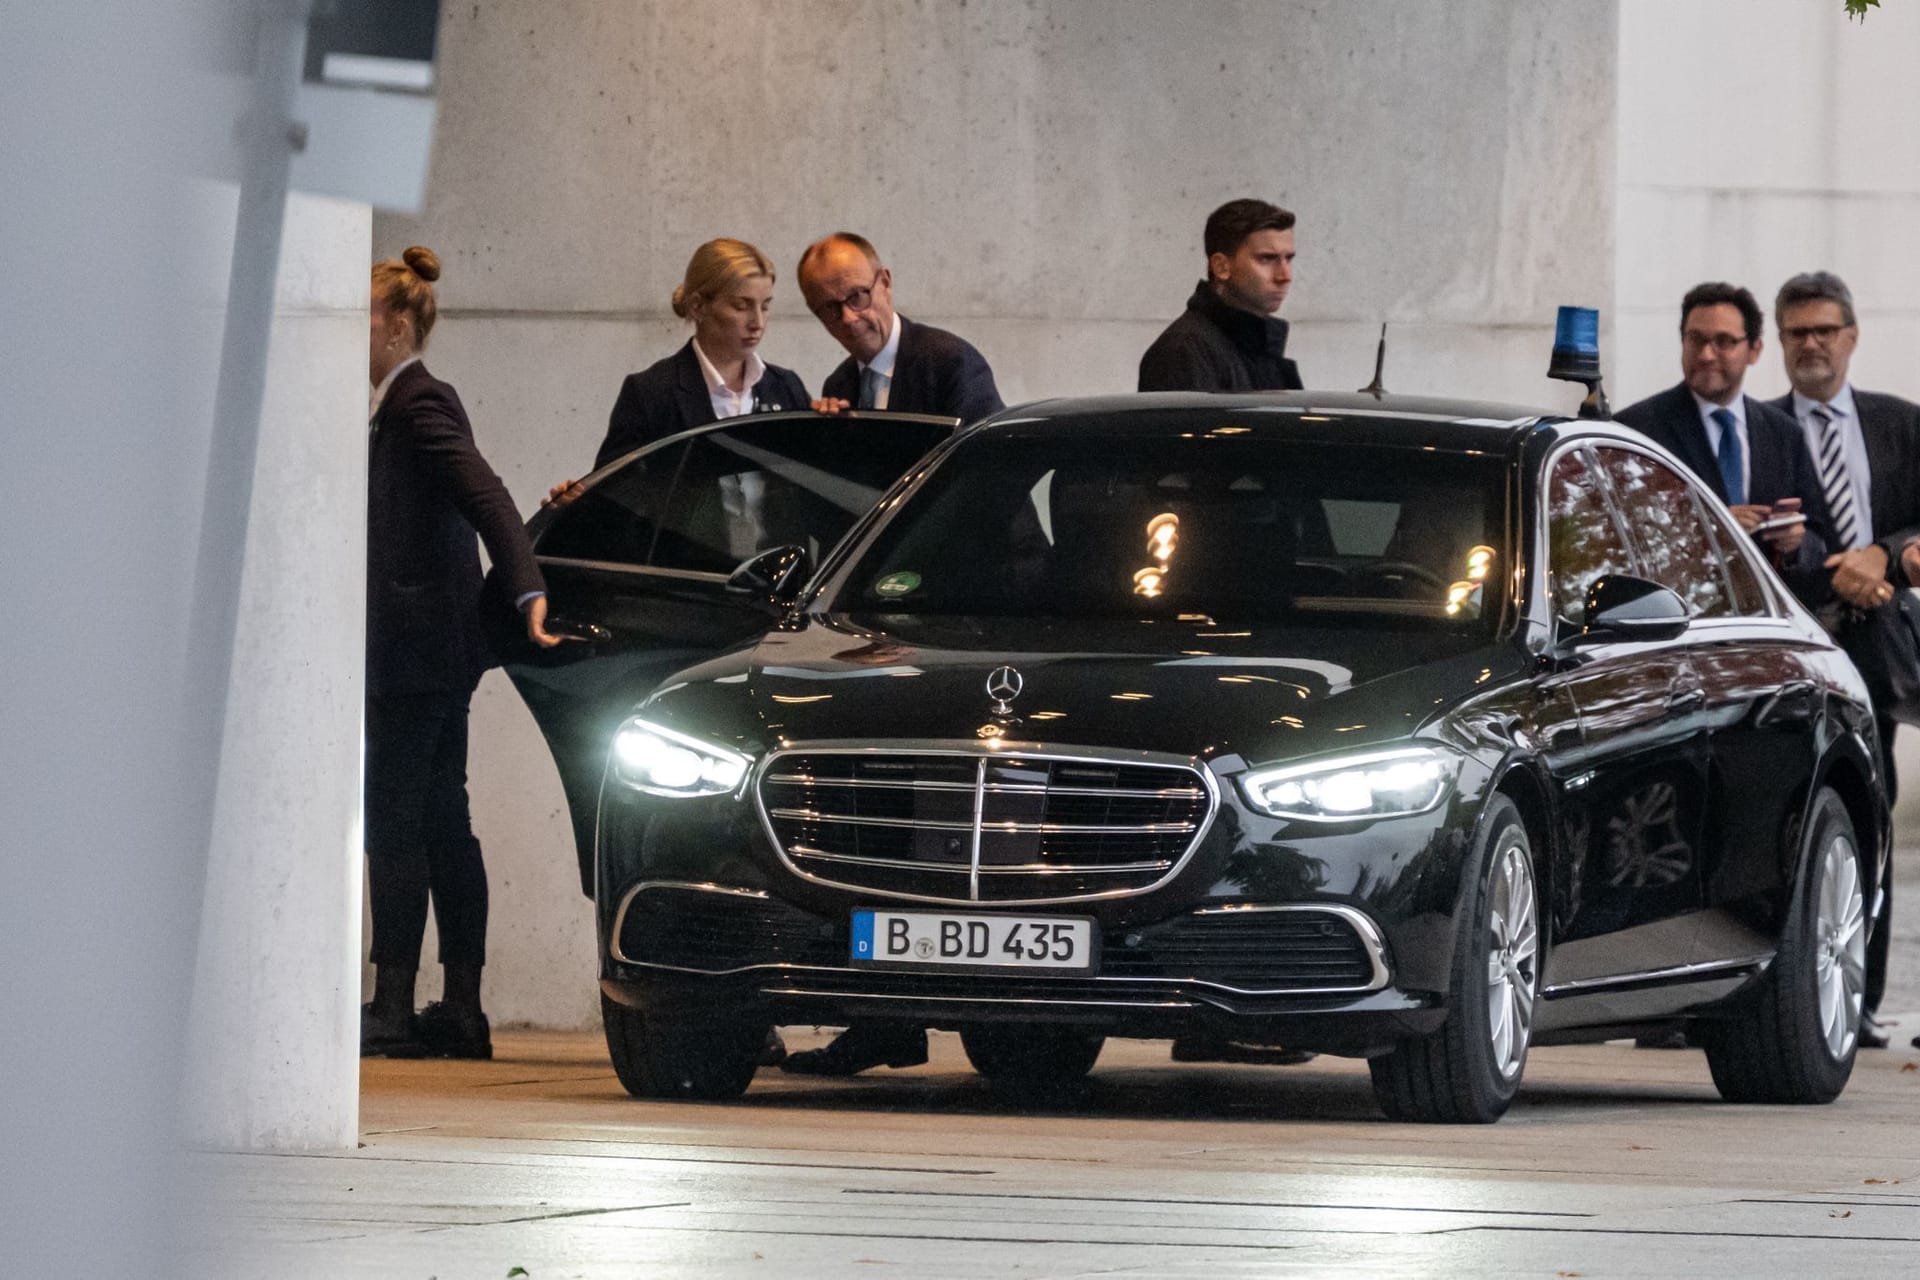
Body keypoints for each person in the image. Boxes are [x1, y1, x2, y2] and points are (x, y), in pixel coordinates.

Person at [363, 246, 563, 1059]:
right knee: (445, 817)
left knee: (397, 823)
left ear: (399, 324)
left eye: (362, 317)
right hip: (436, 651)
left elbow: (487, 493)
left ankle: (394, 1004)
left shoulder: (416, 402)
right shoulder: (396, 405)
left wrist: (526, 587)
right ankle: (464, 1007)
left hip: (414, 654)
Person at [1767, 271, 1920, 1051]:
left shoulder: (1900, 424)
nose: (1812, 344)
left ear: (1852, 336)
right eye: (1797, 332)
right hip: (1791, 652)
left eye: (1825, 330)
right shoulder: (1760, 428)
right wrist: (1834, 563)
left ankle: (1857, 1001)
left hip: (1881, 650)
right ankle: (1780, 990)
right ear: (1780, 342)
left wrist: (1883, 555)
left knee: (1873, 812)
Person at [1614, 281, 1833, 600]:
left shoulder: (1784, 433)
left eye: (1723, 342)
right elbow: (1623, 535)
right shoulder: (1638, 429)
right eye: (1696, 340)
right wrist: (1710, 529)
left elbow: (1819, 538)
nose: (1706, 354)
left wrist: (1796, 542)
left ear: (1754, 350)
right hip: (1677, 621)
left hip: (1767, 622)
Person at [591, 238, 811, 471]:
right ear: (698, 307)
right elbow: (615, 492)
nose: (757, 322)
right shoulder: (651, 391)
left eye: (765, 306)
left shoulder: (786, 387)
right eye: (741, 306)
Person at [797, 232, 1004, 422]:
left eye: (857, 296)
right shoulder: (838, 385)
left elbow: (987, 456)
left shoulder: (951, 363)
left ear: (885, 283)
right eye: (829, 308)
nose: (848, 318)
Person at [1138, 198, 1302, 392]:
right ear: (1221, 267)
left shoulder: (1256, 349)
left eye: (1288, 259)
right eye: (1266, 259)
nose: (1285, 276)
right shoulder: (1184, 351)